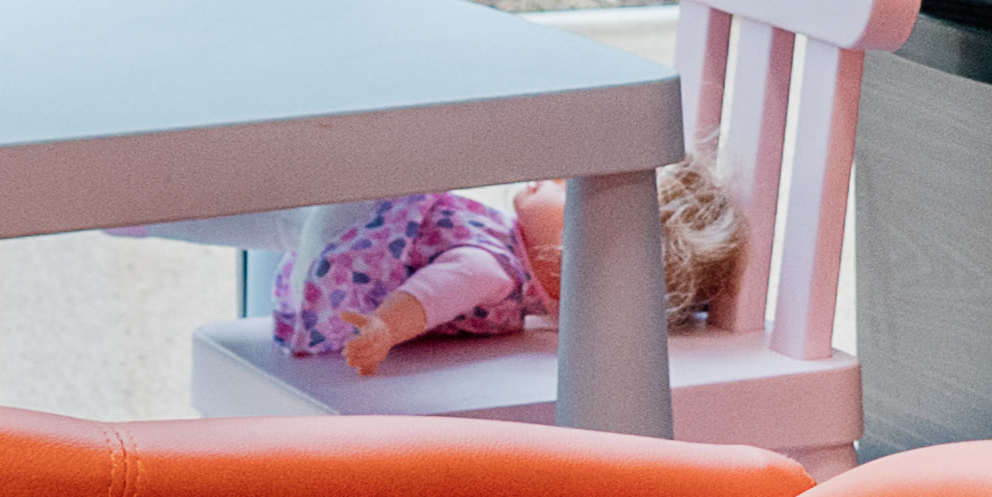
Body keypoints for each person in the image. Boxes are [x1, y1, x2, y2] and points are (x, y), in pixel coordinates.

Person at [283, 163, 740, 379]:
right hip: (350, 239)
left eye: (572, 191)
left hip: (344, 246)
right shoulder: (507, 244)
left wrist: (384, 327)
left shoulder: (495, 270)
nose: (559, 177)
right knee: (284, 216)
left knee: (295, 202)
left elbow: (432, 293)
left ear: (584, 252)